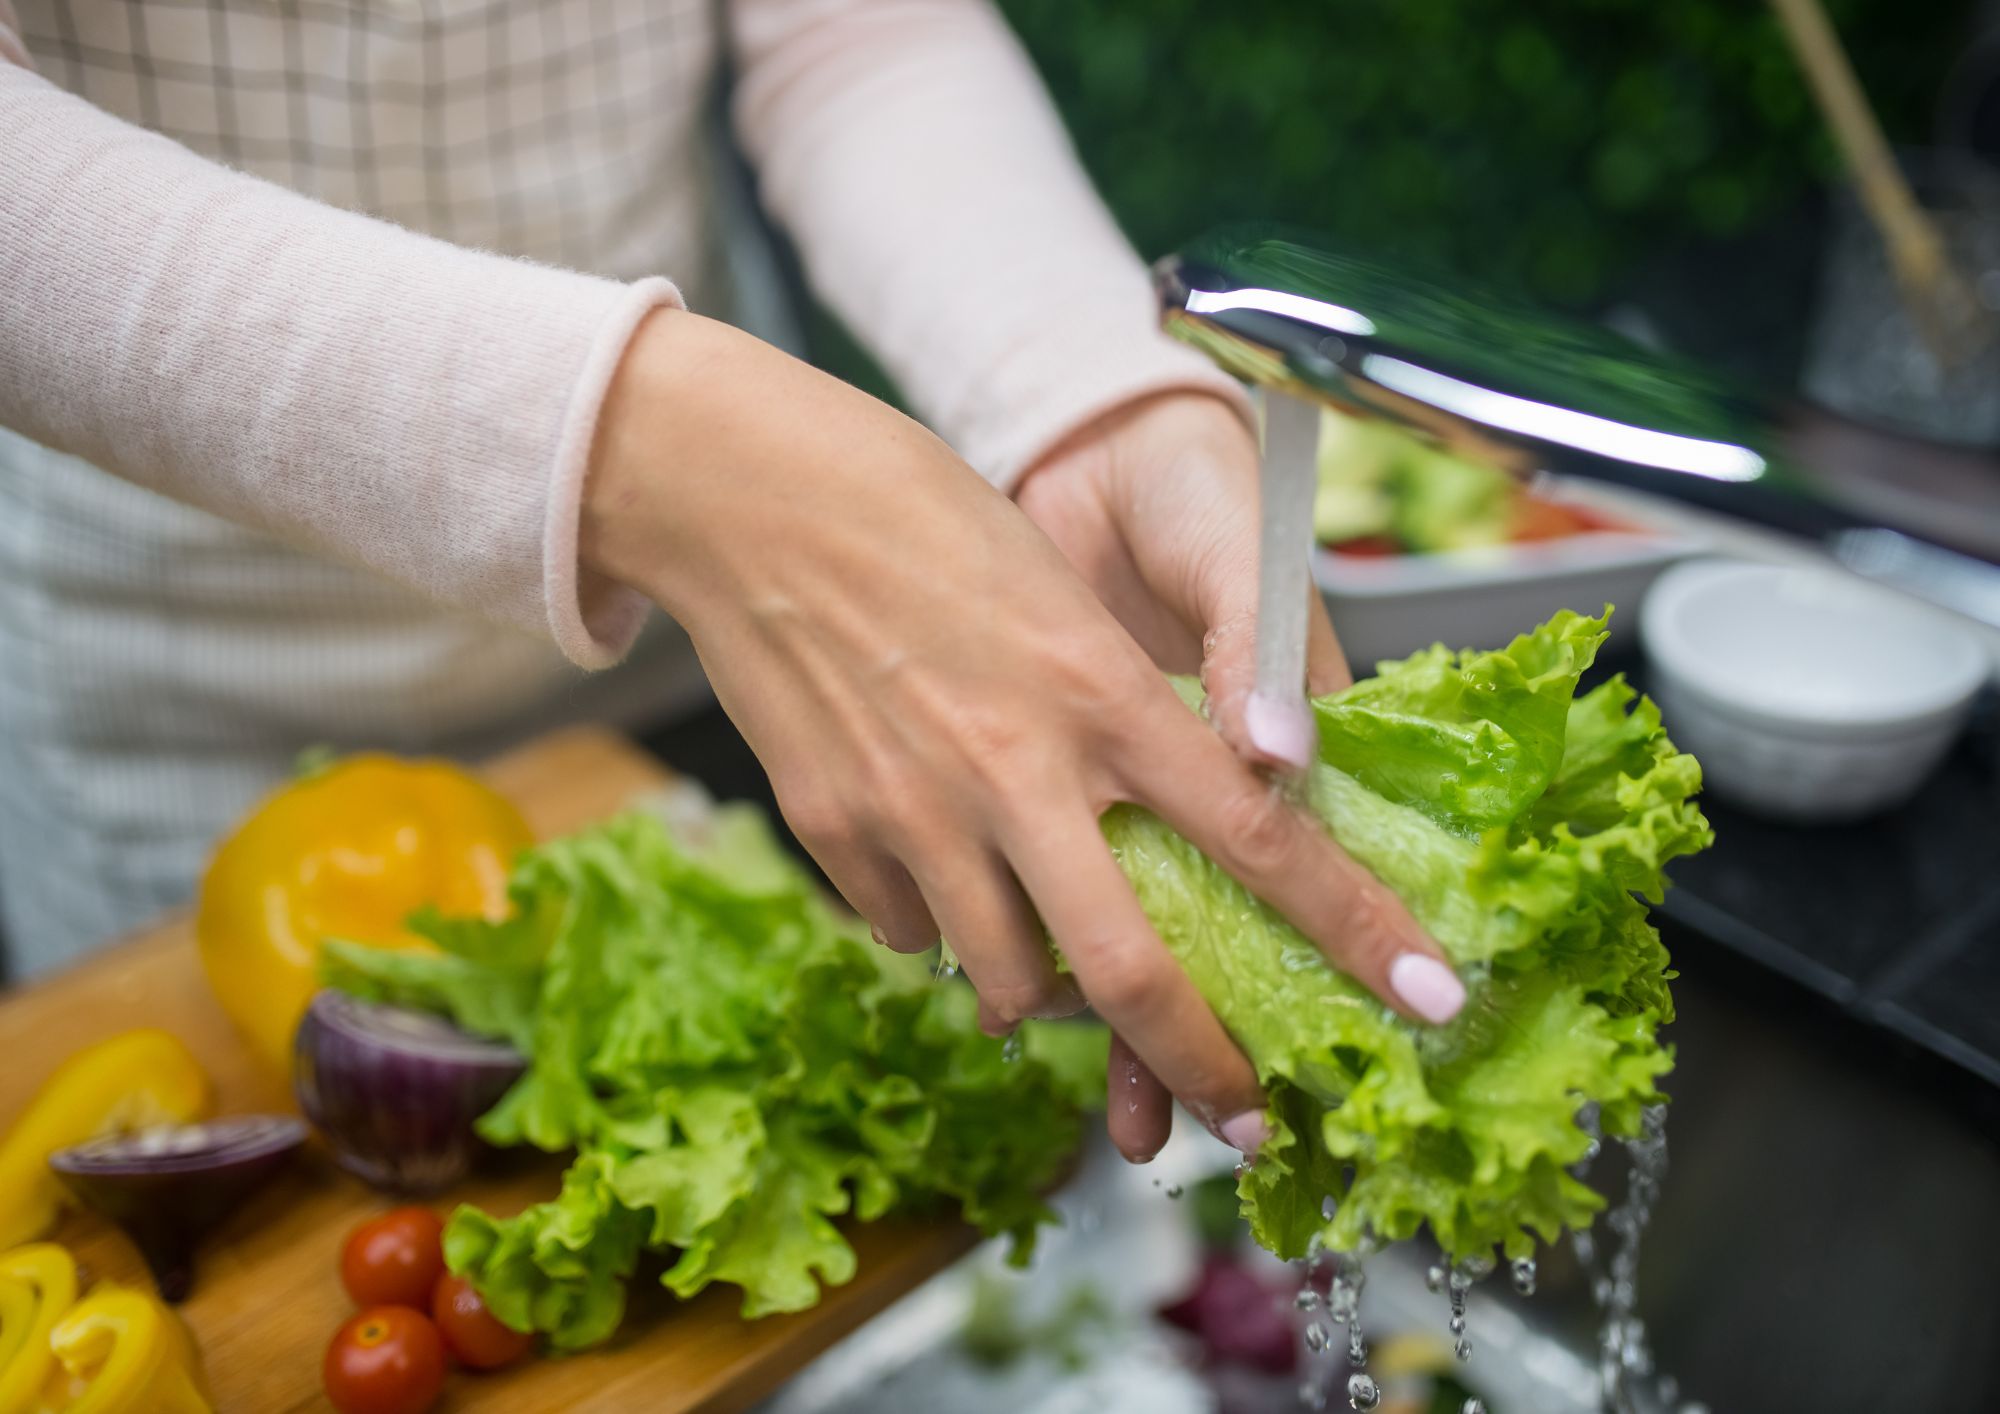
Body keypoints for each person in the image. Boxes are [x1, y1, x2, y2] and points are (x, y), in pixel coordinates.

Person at [0, 0, 1463, 1163]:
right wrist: (655, 450)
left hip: (696, 689)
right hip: (193, 734)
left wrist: (1086, 394)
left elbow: (851, 32)